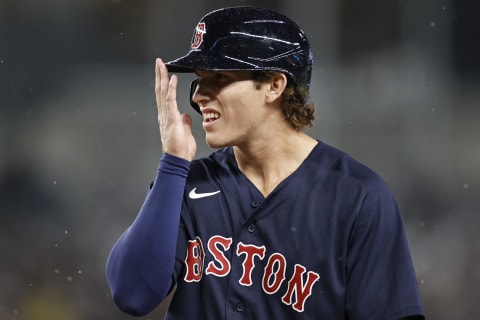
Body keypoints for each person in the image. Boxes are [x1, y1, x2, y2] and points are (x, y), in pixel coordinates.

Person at [106, 6, 425, 319]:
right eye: (200, 79)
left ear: (274, 85)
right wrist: (173, 162)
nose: (200, 95)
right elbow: (132, 293)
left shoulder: (356, 196)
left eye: (219, 77)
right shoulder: (187, 183)